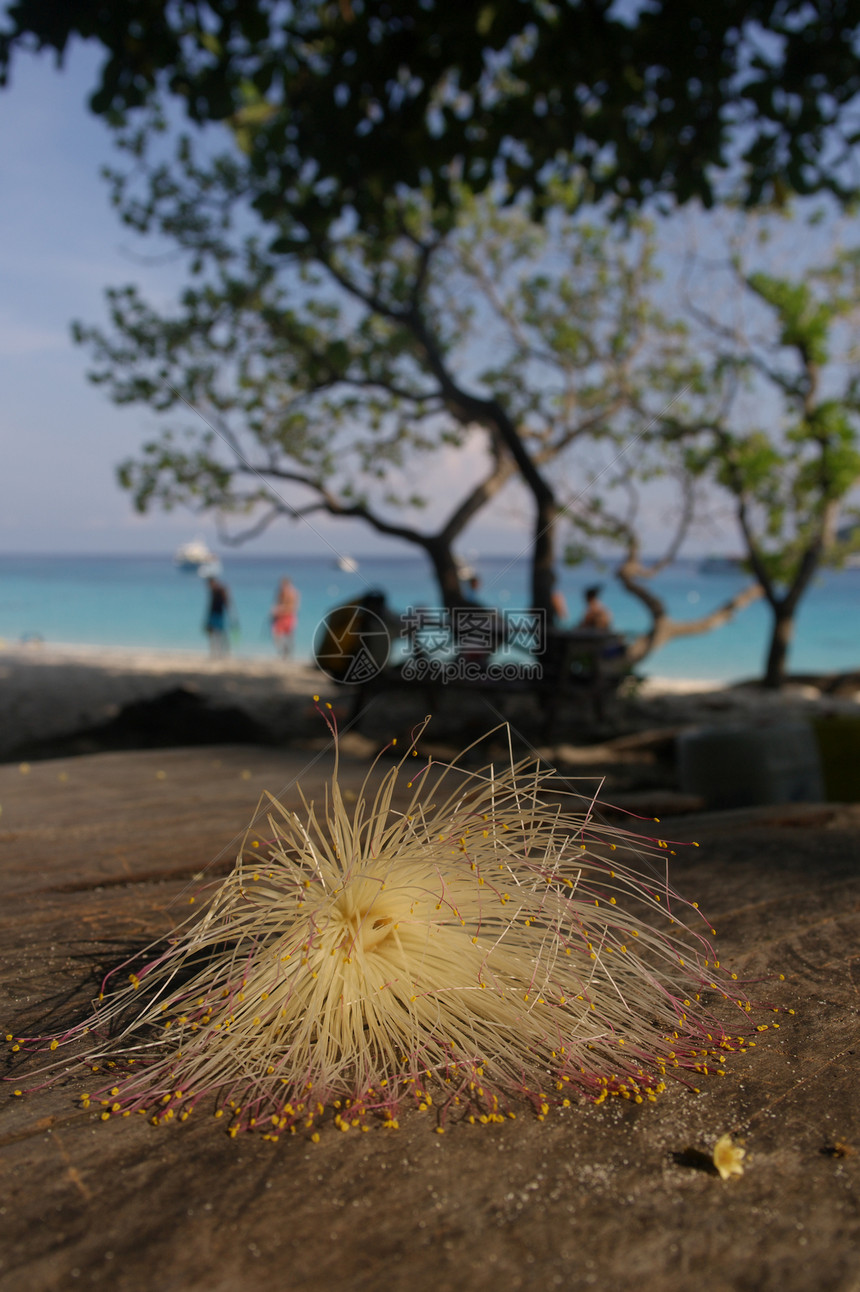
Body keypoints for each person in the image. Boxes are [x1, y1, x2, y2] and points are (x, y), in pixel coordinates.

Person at [270, 577, 300, 657]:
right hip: (281, 617)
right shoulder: (280, 593)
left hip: (288, 617)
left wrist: (280, 610)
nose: (281, 586)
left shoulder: (293, 593)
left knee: (288, 636)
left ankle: (287, 653)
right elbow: (278, 604)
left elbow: (294, 608)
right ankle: (284, 652)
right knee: (277, 635)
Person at [204, 576, 233, 656]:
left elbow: (226, 603)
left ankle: (223, 651)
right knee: (212, 634)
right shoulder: (213, 591)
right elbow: (211, 605)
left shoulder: (221, 590)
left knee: (220, 634)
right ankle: (214, 652)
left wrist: (230, 614)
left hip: (219, 614)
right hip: (213, 614)